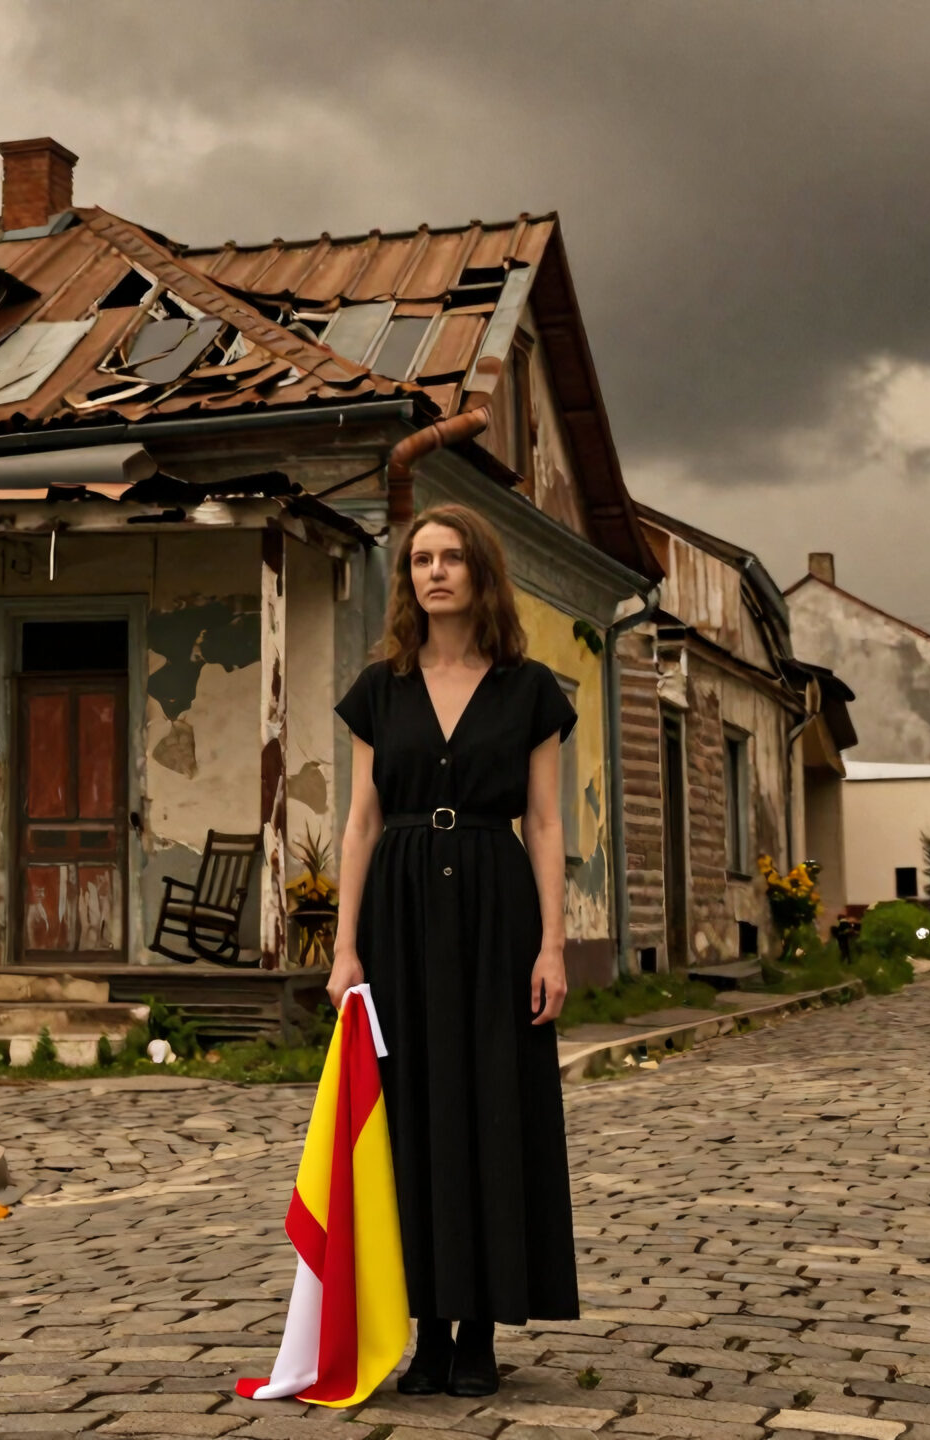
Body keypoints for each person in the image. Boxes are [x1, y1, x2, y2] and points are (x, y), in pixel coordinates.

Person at [326, 502, 579, 1399]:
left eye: (452, 557)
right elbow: (357, 822)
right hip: (395, 911)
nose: (434, 572)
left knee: (488, 1103)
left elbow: (545, 822)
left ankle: (477, 1330)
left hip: (494, 908)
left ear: (481, 572)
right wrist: (344, 944)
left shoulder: (530, 688)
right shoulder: (378, 690)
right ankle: (423, 1328)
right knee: (408, 1110)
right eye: (421, 559)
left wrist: (553, 943)